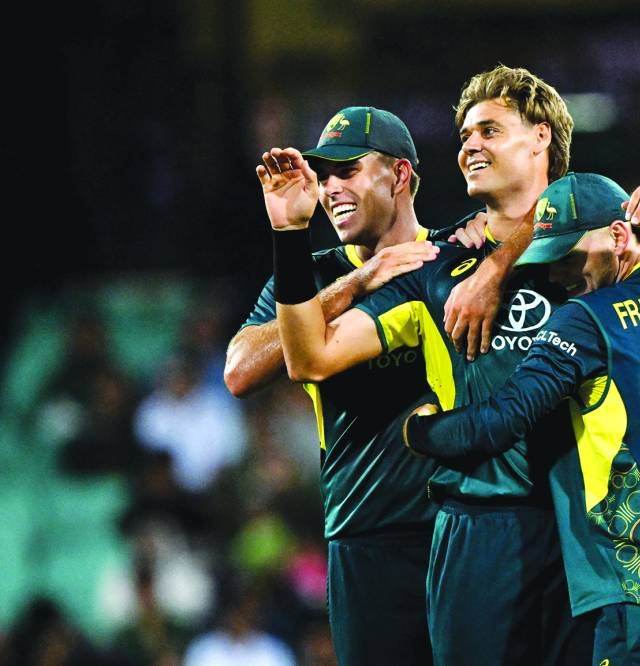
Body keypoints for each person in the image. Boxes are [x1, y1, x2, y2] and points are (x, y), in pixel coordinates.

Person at [268, 65, 640, 665]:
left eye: (489, 130)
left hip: (588, 534)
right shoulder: (437, 267)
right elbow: (310, 358)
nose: (469, 146)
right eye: (464, 136)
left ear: (542, 137)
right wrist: (290, 235)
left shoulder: (604, 237)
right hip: (481, 528)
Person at [403, 172, 640, 665]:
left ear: (619, 236)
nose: (559, 275)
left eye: (570, 256)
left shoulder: (587, 318)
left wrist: (420, 429)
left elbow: (498, 422)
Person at [225, 106, 446, 666]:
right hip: (363, 537)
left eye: (347, 171)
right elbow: (240, 370)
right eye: (323, 176)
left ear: (399, 174)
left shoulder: (452, 257)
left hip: (459, 524)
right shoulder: (311, 276)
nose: (330, 189)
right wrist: (356, 282)